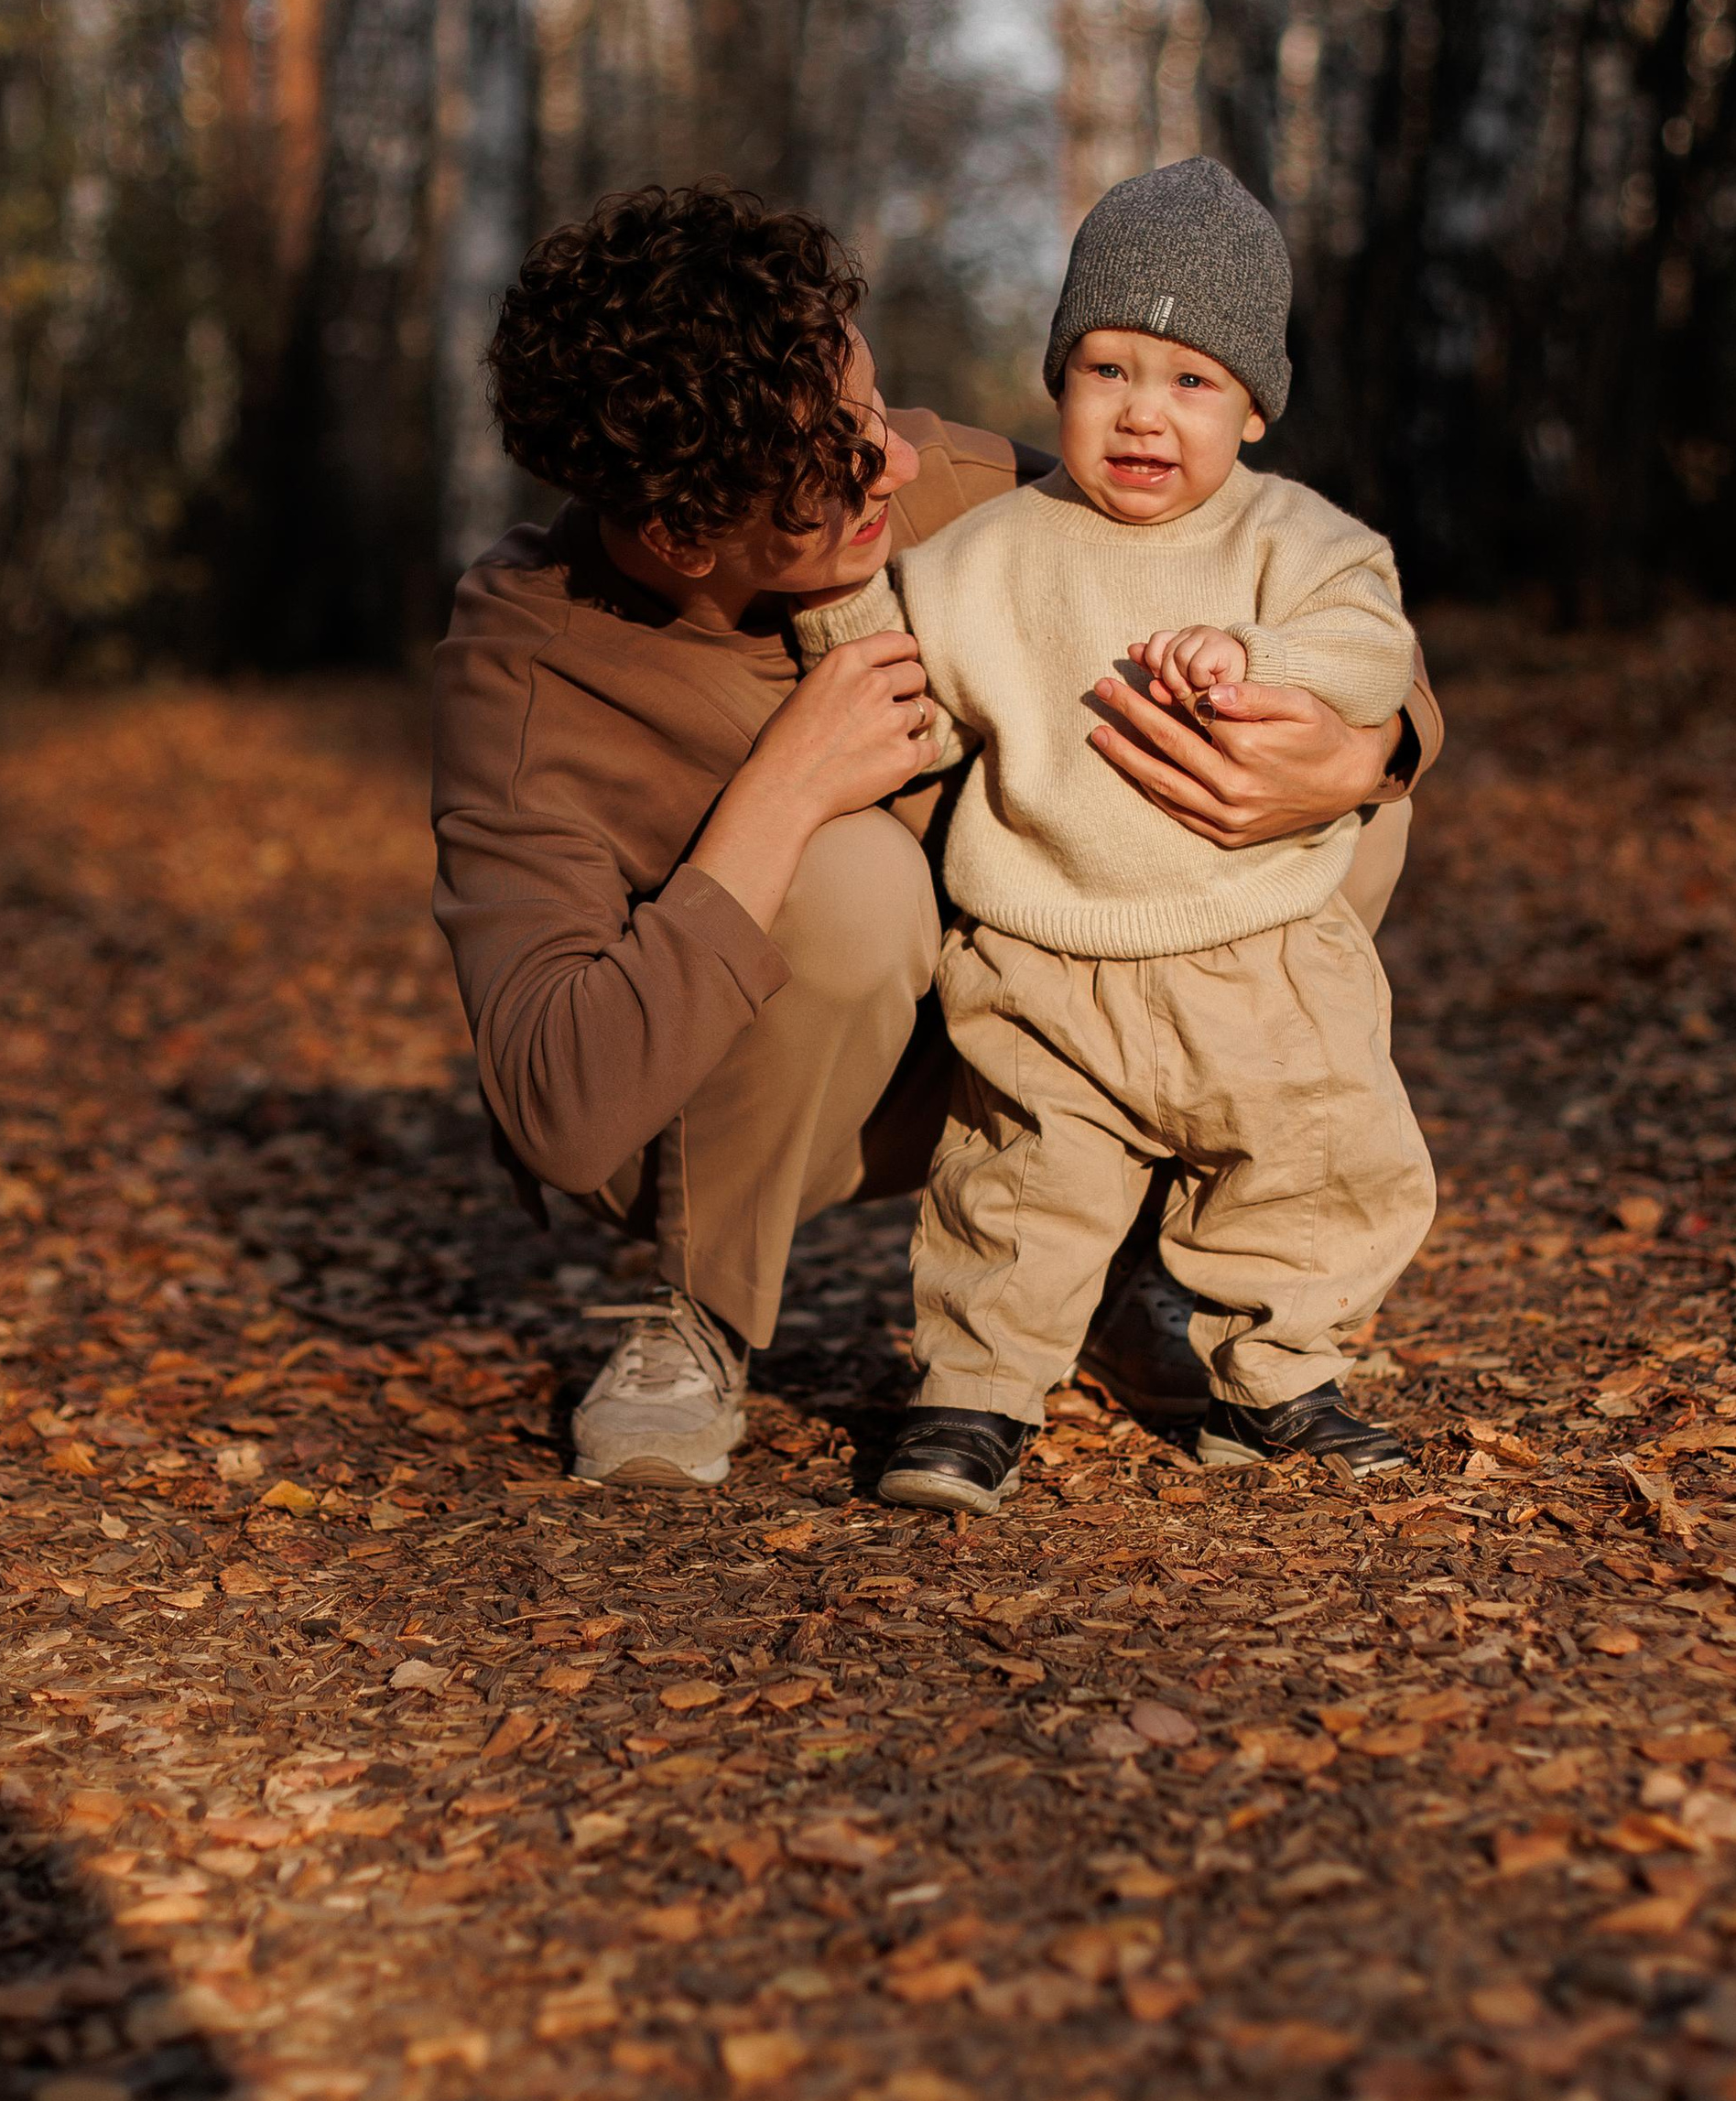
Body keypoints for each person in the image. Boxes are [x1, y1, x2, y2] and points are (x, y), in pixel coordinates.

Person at [429, 181, 1440, 1489]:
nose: (896, 465)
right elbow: (561, 1111)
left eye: (871, 408)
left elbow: (1253, 551)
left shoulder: (945, 487)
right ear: (683, 536)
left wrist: (1370, 751)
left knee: (1342, 816)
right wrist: (781, 796)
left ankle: (1141, 1257)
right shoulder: (528, 668)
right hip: (721, 1101)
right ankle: (694, 1307)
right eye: (838, 466)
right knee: (849, 876)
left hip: (1022, 1031)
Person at [794, 157, 1436, 1515]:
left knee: (1317, 1166)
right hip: (1043, 959)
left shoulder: (1304, 545)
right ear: (1059, 382)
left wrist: (1262, 651)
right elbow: (900, 689)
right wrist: (835, 600)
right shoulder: (985, 561)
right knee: (1017, 1191)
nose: (1146, 413)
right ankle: (972, 1401)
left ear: (1254, 406)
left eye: (1191, 381)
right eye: (1107, 370)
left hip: (1264, 956)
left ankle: (1276, 1383)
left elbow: (1372, 650)